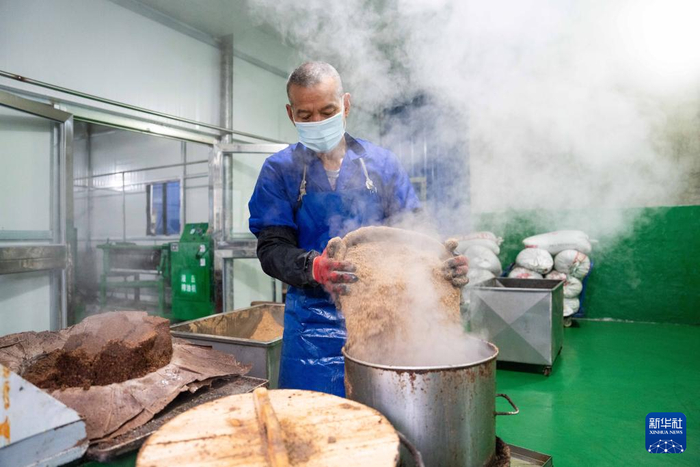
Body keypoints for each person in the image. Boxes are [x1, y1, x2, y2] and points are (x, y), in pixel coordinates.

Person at [248, 61, 468, 396]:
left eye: (328, 111)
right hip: (310, 329)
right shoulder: (279, 170)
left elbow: (413, 234)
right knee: (311, 418)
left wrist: (440, 264)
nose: (317, 122)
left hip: (385, 318)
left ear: (346, 105)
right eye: (305, 115)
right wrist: (314, 267)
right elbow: (271, 247)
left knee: (384, 413)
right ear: (291, 114)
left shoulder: (382, 164)